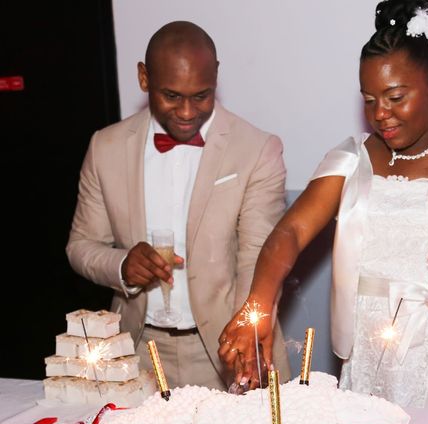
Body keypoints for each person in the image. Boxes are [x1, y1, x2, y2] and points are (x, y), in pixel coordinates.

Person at [218, 0, 428, 413]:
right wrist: (257, 307)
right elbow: (291, 232)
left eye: (395, 97)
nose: (380, 114)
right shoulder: (353, 160)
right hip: (375, 359)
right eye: (369, 100)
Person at [66, 21, 291, 390]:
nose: (187, 112)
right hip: (135, 351)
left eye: (201, 96)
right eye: (171, 96)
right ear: (143, 78)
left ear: (216, 76)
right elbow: (80, 245)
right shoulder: (105, 147)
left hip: (226, 350)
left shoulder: (257, 149)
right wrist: (122, 265)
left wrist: (245, 335)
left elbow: (258, 255)